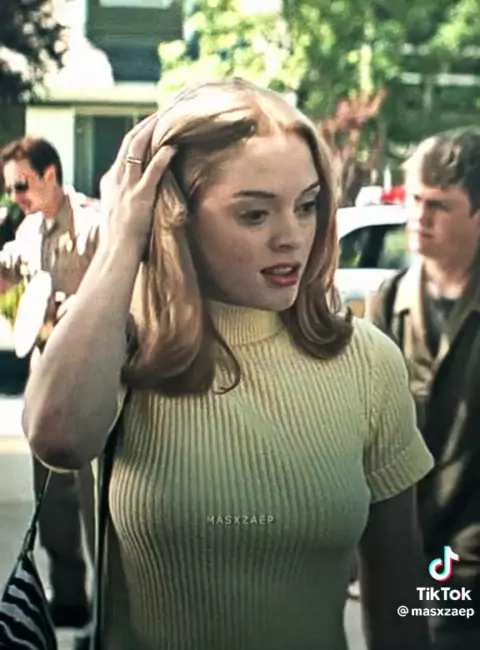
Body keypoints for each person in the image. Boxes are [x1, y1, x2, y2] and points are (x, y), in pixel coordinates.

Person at [23, 78, 433, 650]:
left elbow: (401, 602)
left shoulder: (367, 362)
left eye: (308, 206)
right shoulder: (123, 346)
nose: (292, 237)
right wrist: (123, 239)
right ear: (176, 215)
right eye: (255, 214)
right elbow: (58, 438)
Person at [366, 127, 480, 650]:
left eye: (439, 205)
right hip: (403, 553)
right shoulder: (389, 302)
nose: (419, 216)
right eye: (414, 200)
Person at [0, 136, 99, 650]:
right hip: (47, 381)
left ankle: (114, 610)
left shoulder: (93, 224)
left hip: (94, 379)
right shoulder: (29, 229)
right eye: (9, 188)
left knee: (100, 500)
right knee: (53, 498)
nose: (15, 196)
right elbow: (13, 274)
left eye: (22, 184)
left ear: (50, 175)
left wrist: (71, 307)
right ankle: (70, 599)